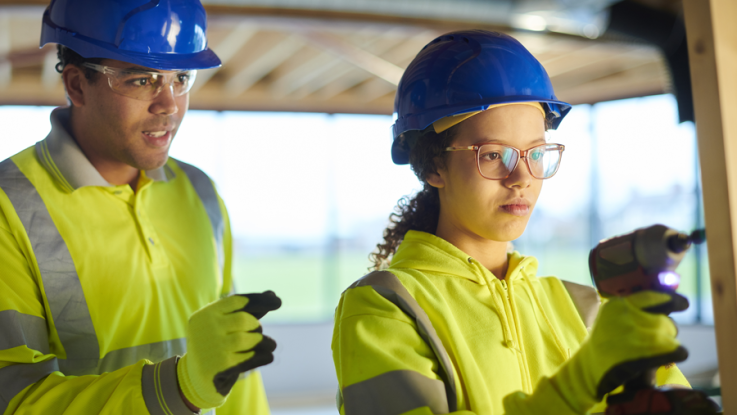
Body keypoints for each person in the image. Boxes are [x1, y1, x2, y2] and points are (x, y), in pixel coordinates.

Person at [332, 30, 690, 414]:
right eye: (493, 154)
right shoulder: (385, 307)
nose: (522, 177)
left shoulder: (582, 306)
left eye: (536, 153)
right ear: (434, 165)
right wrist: (575, 387)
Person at [0, 1, 279, 414]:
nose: (169, 104)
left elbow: (232, 359)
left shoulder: (200, 191)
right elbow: (13, 398)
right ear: (77, 86)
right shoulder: (9, 206)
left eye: (181, 78)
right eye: (142, 79)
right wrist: (179, 388)